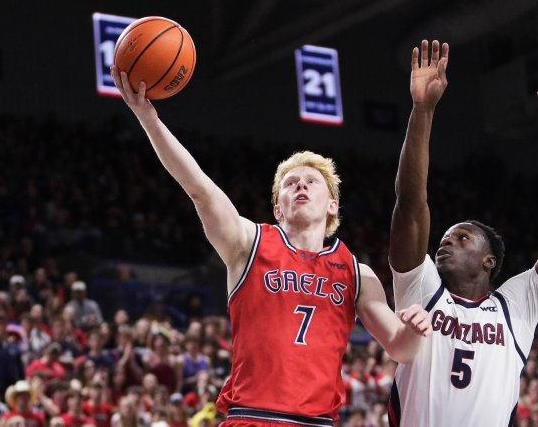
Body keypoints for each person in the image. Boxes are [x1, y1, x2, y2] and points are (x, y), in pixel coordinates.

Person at [109, 66, 432, 426]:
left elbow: (399, 347)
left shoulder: (358, 272)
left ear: (332, 205)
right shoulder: (249, 243)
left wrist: (413, 331)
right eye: (291, 184)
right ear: (278, 208)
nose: (301, 186)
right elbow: (199, 188)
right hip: (252, 416)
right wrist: (149, 119)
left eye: (312, 181)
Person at [387, 40, 538, 426]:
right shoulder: (421, 288)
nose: (446, 241)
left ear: (489, 261)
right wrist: (423, 110)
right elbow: (410, 203)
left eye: (462, 237)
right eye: (446, 237)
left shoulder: (515, 306)